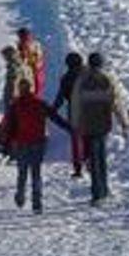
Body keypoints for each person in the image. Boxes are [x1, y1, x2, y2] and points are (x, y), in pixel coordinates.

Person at [0, 77, 69, 214]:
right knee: (36, 173)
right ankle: (37, 203)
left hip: (21, 143)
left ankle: (20, 196)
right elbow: (55, 117)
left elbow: (8, 127)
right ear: (31, 88)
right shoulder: (39, 103)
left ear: (19, 89)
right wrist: (69, 128)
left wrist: (6, 144)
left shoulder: (15, 105)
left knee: (22, 172)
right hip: (38, 142)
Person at [72, 51, 129, 203]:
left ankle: (97, 193)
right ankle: (103, 188)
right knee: (101, 156)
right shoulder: (108, 79)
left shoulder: (81, 80)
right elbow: (116, 103)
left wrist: (75, 124)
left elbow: (76, 103)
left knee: (93, 158)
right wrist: (124, 122)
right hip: (103, 123)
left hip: (86, 123)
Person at [51, 50, 88, 180]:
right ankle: (89, 160)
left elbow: (60, 99)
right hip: (90, 109)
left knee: (76, 140)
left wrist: (52, 110)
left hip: (74, 110)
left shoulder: (66, 78)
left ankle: (78, 169)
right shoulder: (89, 75)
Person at [14, 26, 45, 95]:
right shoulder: (21, 47)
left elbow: (38, 61)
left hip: (34, 73)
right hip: (27, 74)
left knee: (35, 90)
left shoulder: (34, 47)